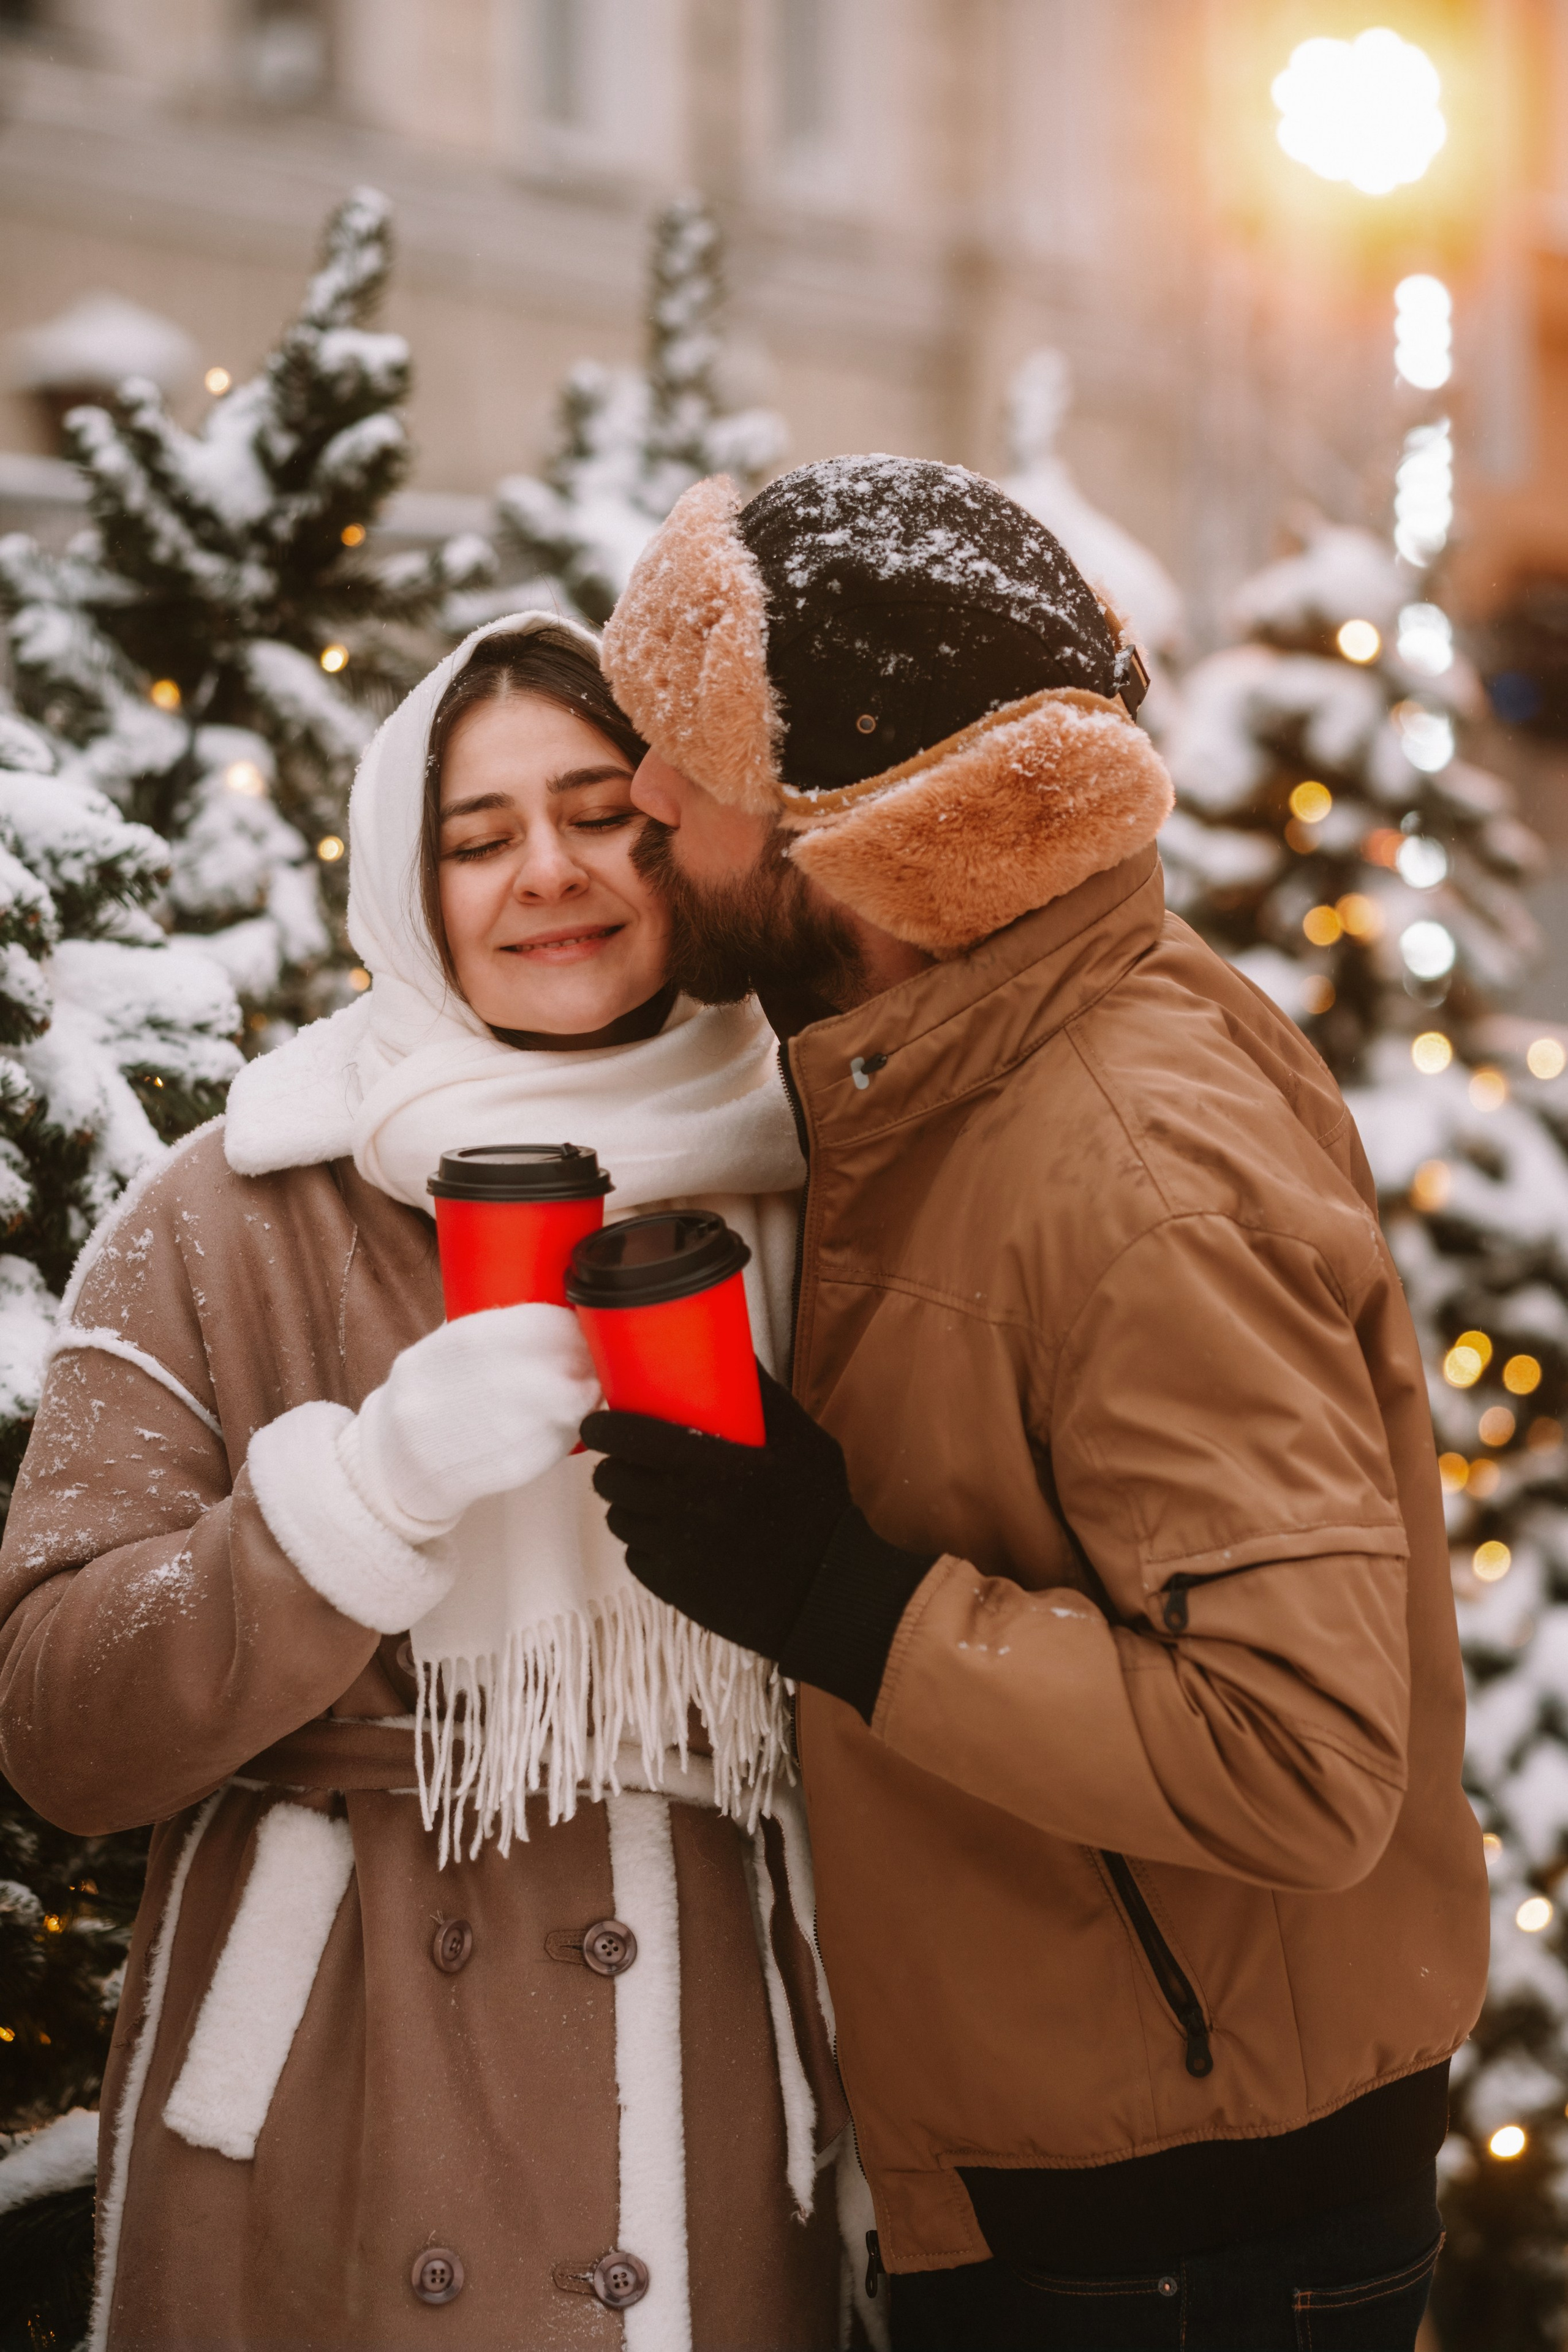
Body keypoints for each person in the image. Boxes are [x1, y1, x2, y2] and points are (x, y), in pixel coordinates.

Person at [581, 458, 1491, 2351]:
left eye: (690, 758)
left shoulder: (1134, 1165)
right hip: (1099, 2155)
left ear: (876, 838)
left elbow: (1305, 1758)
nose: (641, 794)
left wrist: (843, 1592)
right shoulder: (950, 1062)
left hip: (1186, 2231)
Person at [0, 614, 861, 2350]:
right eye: (476, 840)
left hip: (711, 2086)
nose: (546, 872)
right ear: (407, 884)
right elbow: (55, 1724)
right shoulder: (232, 1203)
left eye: (604, 810)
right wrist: (357, 1508)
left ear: (684, 829)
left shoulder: (834, 1175)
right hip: (343, 2072)